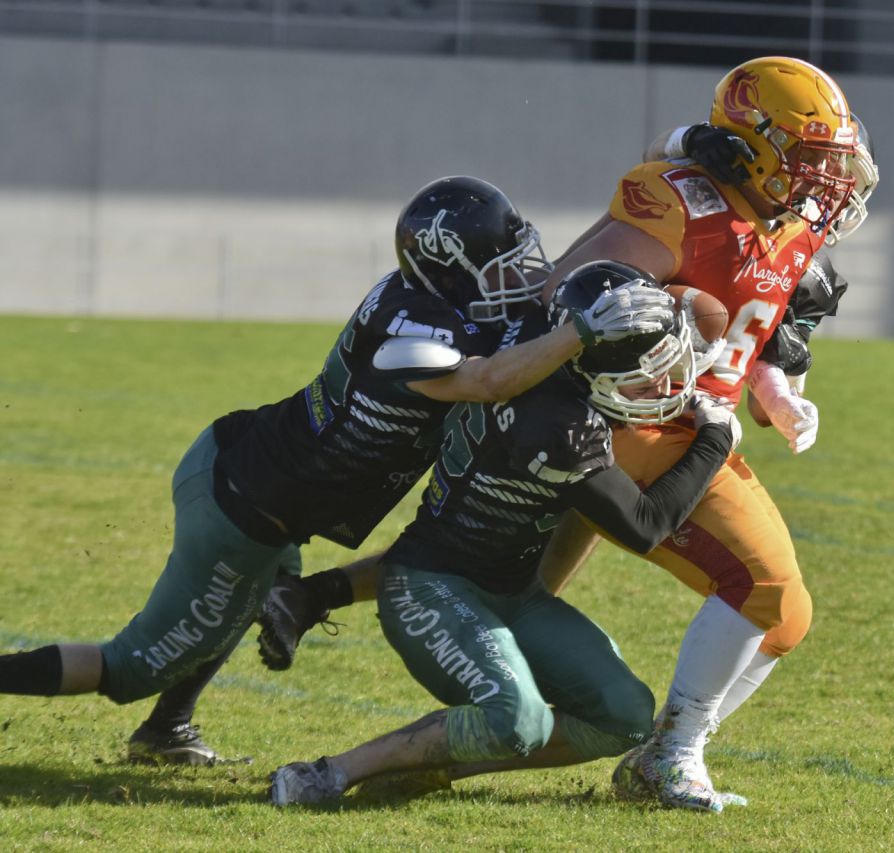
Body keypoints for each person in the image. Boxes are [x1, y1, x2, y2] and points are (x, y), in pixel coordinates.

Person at [0, 177, 672, 766]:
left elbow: (554, 297)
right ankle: (140, 707)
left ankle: (168, 728)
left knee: (249, 595)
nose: (525, 277)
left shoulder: (450, 303)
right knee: (133, 663)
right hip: (238, 504)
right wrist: (577, 333)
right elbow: (491, 377)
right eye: (502, 268)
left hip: (259, 473)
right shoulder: (410, 336)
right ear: (450, 274)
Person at [536, 55, 880, 812]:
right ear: (751, 144)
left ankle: (662, 753)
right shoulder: (679, 200)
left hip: (702, 429)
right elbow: (566, 298)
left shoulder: (787, 228)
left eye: (831, 159)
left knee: (787, 618)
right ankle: (673, 754)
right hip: (635, 420)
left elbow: (751, 348)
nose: (826, 179)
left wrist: (781, 393)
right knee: (763, 585)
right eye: (809, 158)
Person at [268, 261, 741, 806]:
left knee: (625, 716)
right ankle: (330, 773)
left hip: (514, 591)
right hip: (431, 589)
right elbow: (644, 526)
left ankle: (429, 769)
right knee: (515, 719)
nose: (663, 385)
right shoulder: (558, 426)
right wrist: (714, 439)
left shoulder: (540, 340)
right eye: (646, 373)